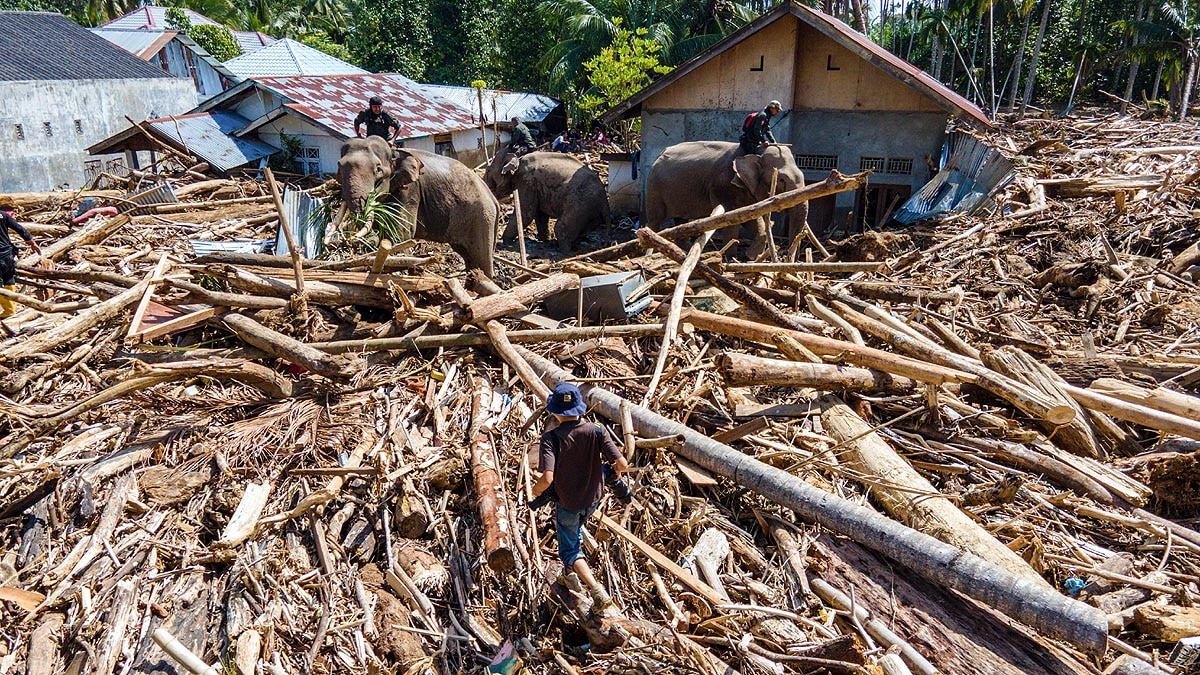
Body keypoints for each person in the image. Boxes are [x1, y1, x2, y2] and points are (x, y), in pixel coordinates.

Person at [531, 382, 632, 612]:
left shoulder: (551, 438)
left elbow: (547, 479)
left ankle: (597, 590)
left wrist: (534, 492)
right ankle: (569, 576)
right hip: (593, 499)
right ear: (580, 409)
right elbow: (623, 465)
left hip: (568, 503)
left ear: (554, 411)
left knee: (570, 549)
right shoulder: (597, 430)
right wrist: (611, 472)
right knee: (574, 534)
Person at [0, 199, 42, 319]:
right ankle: (11, 309)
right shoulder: (3, 215)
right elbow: (19, 228)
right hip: (7, 254)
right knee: (8, 279)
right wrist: (32, 243)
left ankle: (9, 310)